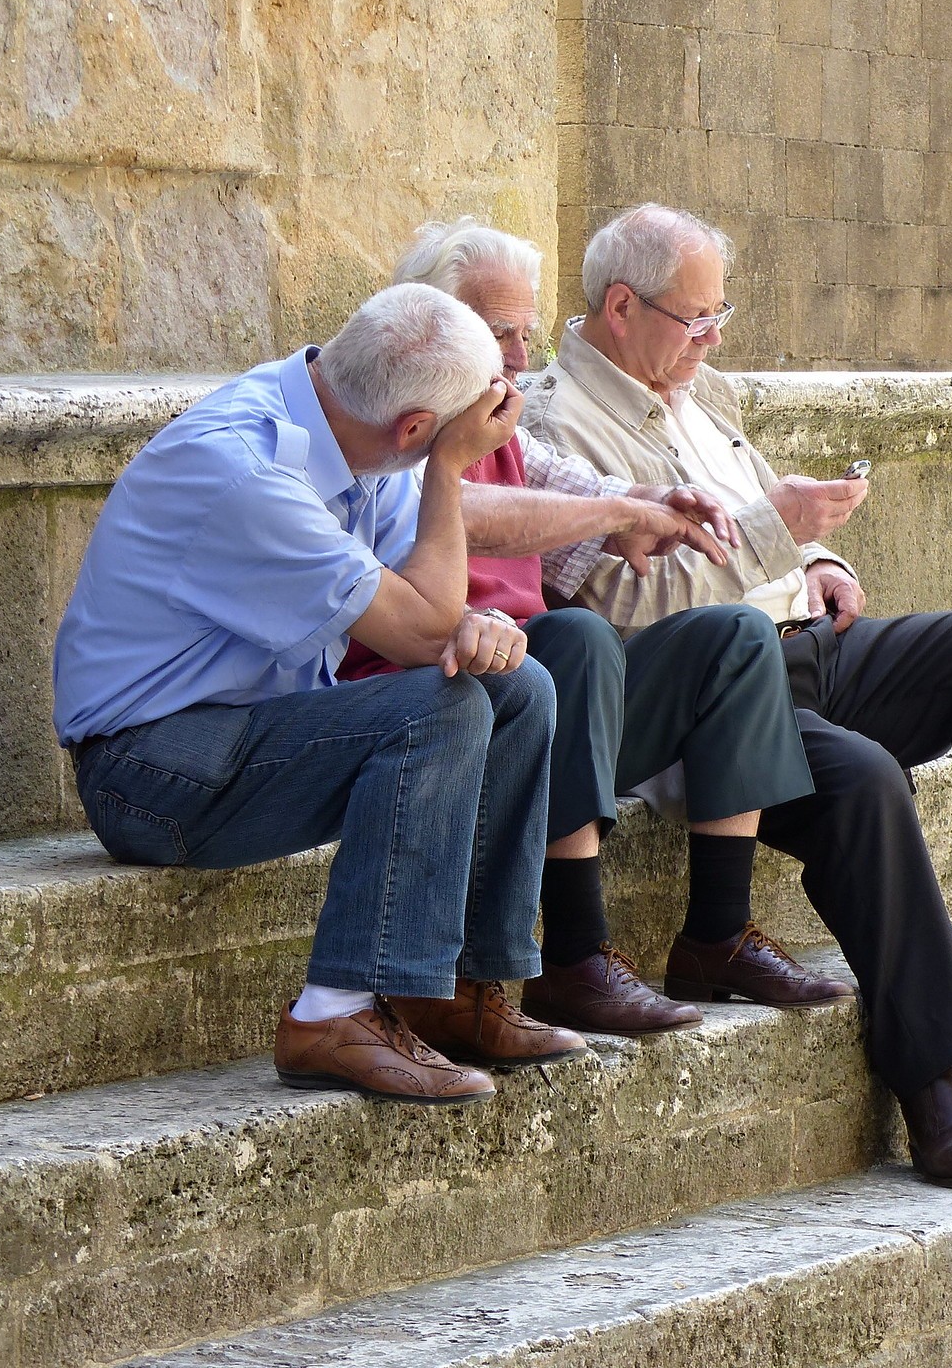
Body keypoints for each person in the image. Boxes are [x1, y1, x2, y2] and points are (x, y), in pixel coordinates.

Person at [522, 203, 952, 1188]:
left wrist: (815, 552)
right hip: (715, 697)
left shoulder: (701, 391)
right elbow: (626, 611)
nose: (712, 335)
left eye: (717, 313)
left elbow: (764, 520)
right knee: (862, 782)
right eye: (695, 317)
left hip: (806, 645)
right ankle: (935, 1086)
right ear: (618, 307)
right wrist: (773, 533)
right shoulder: (555, 421)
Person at [53, 283, 585, 1107]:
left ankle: (445, 992)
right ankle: (330, 1014)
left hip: (251, 732)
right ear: (415, 429)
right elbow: (414, 630)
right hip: (148, 772)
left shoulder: (351, 428)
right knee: (439, 708)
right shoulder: (244, 470)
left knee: (517, 685)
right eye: (446, 438)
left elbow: (428, 604)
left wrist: (479, 628)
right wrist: (448, 472)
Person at [341, 218, 839, 1038]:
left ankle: (719, 931)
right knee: (571, 640)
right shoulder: (395, 425)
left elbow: (560, 488)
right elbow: (473, 511)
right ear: (430, 325)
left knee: (733, 637)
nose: (517, 358)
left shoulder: (500, 420)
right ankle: (574, 955)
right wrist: (613, 511)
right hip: (437, 709)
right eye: (496, 332)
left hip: (537, 707)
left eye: (524, 333)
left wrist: (649, 509)